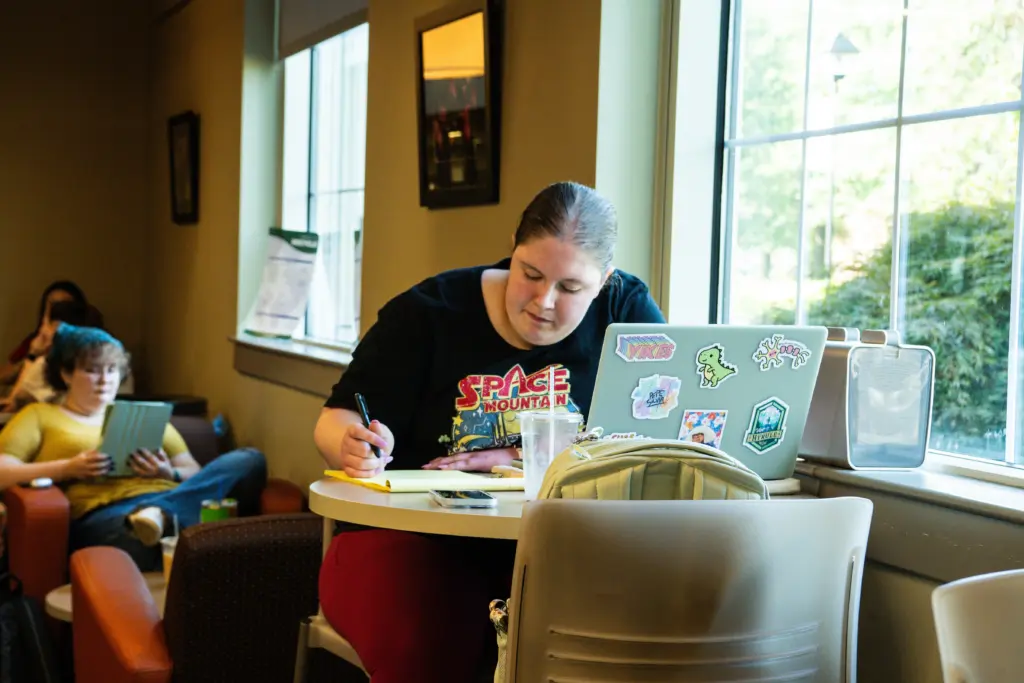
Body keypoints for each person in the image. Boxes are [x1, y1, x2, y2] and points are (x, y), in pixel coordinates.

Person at [313, 181, 666, 682]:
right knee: (432, 636)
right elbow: (336, 419)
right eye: (531, 274)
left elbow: (654, 434)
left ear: (604, 280)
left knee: (624, 628)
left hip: (557, 544)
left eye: (570, 288)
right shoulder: (428, 314)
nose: (544, 302)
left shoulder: (625, 312)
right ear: (512, 251)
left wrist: (507, 457)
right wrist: (354, 446)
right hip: (412, 539)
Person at [0, 324, 266, 570]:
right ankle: (181, 522)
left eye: (112, 370)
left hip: (167, 498)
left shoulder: (143, 416)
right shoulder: (40, 415)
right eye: (92, 370)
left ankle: (163, 513)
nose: (105, 380)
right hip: (111, 514)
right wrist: (67, 468)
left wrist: (167, 473)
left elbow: (192, 470)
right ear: (66, 373)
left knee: (250, 460)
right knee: (134, 541)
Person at [1, 299, 92, 412]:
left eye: (46, 323)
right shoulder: (95, 365)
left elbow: (13, 406)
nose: (42, 330)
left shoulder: (45, 365)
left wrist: (32, 356)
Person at [1, 281, 93, 385]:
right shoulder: (36, 340)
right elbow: (4, 376)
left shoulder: (92, 343)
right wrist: (33, 355)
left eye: (63, 306)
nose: (57, 312)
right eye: (52, 306)